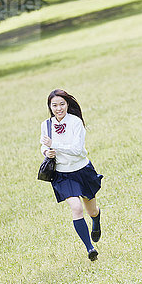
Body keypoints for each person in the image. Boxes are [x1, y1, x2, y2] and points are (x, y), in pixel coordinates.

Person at [40, 89, 103, 261]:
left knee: (91, 209)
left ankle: (96, 221)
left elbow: (77, 150)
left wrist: (55, 145)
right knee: (76, 208)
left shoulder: (76, 123)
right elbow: (43, 146)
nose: (58, 108)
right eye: (54, 105)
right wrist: (47, 152)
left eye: (62, 104)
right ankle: (90, 248)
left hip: (82, 170)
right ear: (50, 107)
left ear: (67, 104)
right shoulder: (46, 125)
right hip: (63, 174)